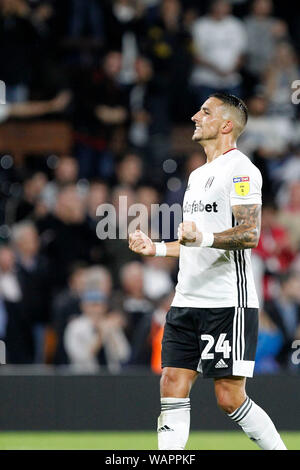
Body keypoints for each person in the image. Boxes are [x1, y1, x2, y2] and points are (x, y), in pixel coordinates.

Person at [129, 92, 287, 450]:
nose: (195, 117)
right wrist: (155, 248)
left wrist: (201, 237)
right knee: (170, 381)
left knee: (229, 397)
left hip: (226, 300)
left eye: (205, 111)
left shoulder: (242, 170)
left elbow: (249, 233)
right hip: (187, 298)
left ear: (226, 124)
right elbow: (193, 242)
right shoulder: (197, 176)